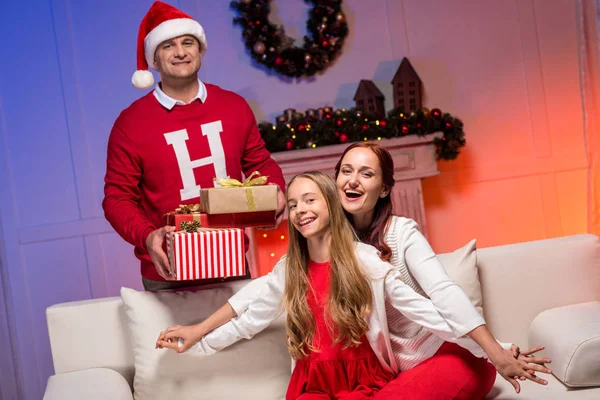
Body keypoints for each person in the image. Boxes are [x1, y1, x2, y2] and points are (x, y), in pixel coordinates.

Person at [157, 171, 551, 399]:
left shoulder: (364, 261)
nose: (299, 210)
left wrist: (492, 347)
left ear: (330, 204)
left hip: (362, 381)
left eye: (309, 200)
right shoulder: (291, 268)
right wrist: (198, 335)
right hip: (312, 384)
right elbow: (247, 311)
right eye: (292, 205)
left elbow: (426, 311)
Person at [102, 1, 286, 291]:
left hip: (231, 261)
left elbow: (260, 163)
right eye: (167, 45)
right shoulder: (130, 123)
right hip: (167, 272)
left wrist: (277, 190)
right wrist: (148, 236)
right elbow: (117, 198)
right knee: (170, 339)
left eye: (188, 42)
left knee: (240, 337)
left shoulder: (234, 107)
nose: (180, 52)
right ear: (153, 59)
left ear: (200, 50)